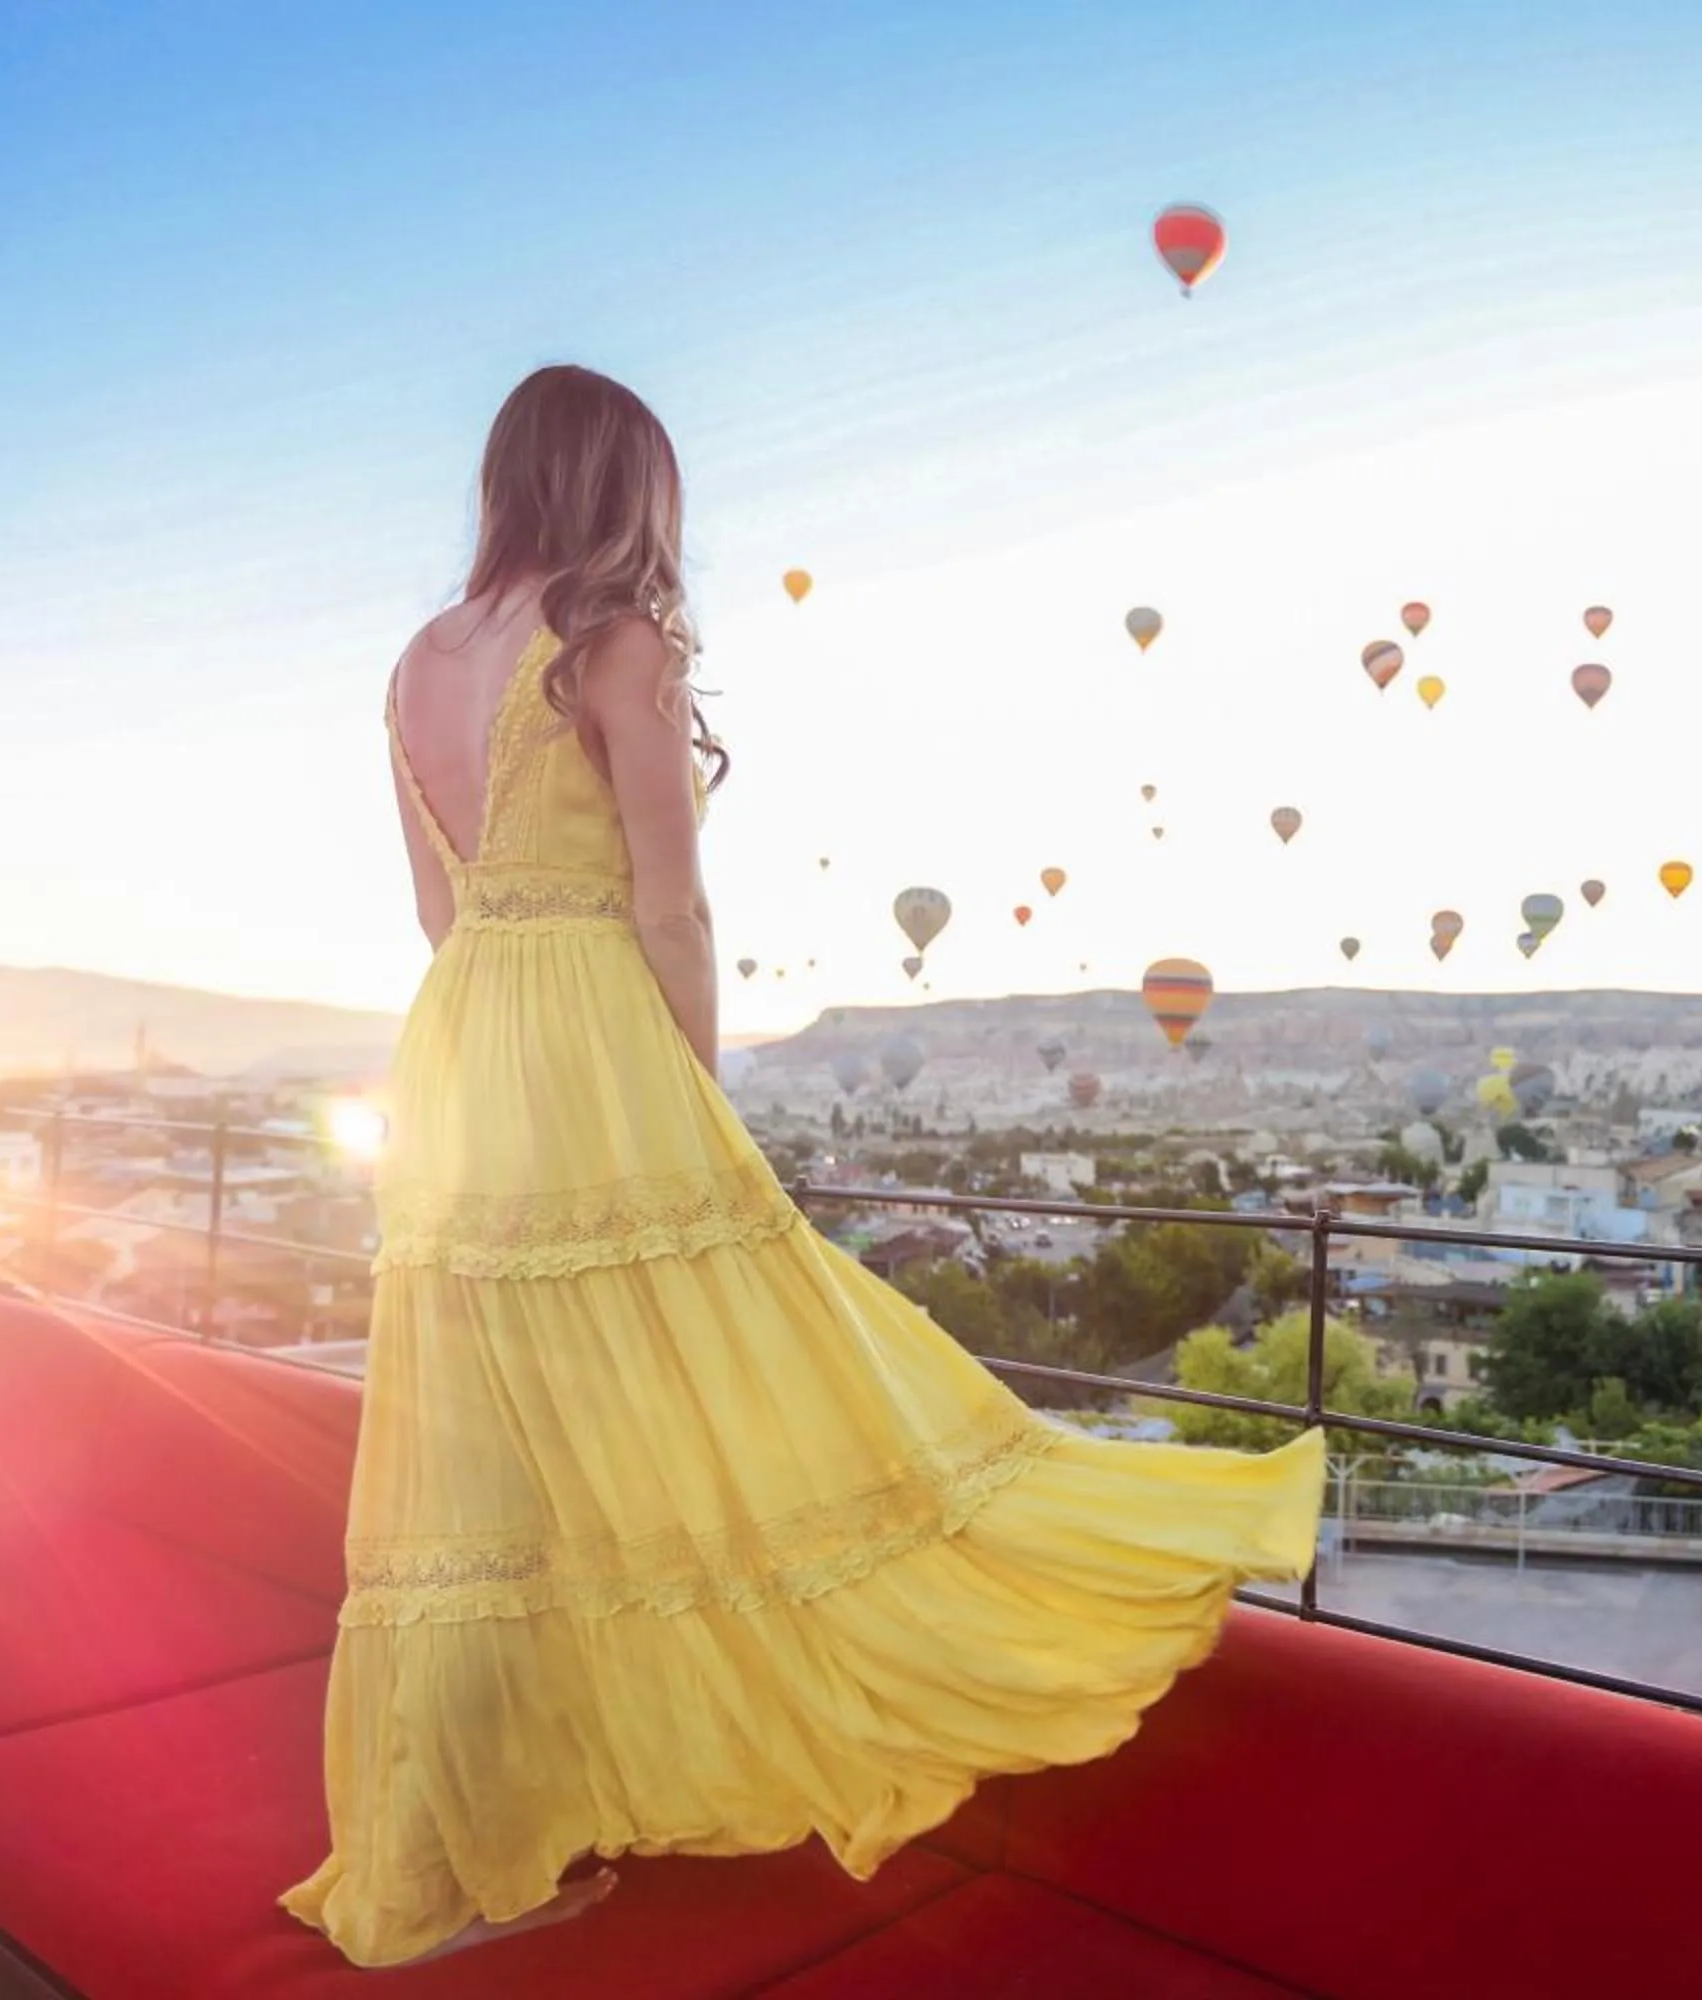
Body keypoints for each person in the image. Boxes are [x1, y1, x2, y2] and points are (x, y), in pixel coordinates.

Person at [281, 364, 1326, 1967]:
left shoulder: (418, 660)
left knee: (481, 1467)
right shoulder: (614, 638)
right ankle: (797, 1685)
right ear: (630, 488)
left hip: (465, 1044)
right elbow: (670, 907)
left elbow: (440, 919)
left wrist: (505, 1004)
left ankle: (440, 1865)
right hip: (593, 1041)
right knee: (734, 1364)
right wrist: (684, 1089)